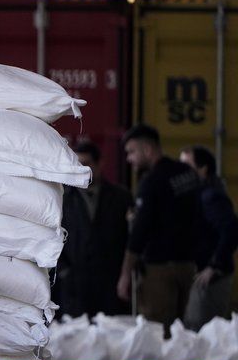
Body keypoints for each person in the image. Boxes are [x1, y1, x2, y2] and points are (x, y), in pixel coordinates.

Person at [116, 124, 202, 335]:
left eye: (131, 152)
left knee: (157, 334)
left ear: (147, 149)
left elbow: (139, 232)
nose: (128, 159)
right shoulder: (188, 173)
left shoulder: (151, 181)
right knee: (184, 334)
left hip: (160, 271)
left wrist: (125, 274)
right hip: (189, 267)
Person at [55, 141, 134, 318]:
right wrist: (64, 271)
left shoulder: (121, 197)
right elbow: (52, 236)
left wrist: (125, 274)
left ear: (99, 164)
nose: (81, 169)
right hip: (75, 284)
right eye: (77, 165)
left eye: (86, 164)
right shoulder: (63, 199)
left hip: (111, 284)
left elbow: (130, 238)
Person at [180, 145, 238, 330]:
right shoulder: (199, 194)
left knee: (200, 329)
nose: (182, 172)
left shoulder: (210, 196)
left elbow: (231, 230)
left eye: (186, 165)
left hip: (210, 278)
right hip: (202, 274)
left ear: (203, 168)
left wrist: (214, 266)